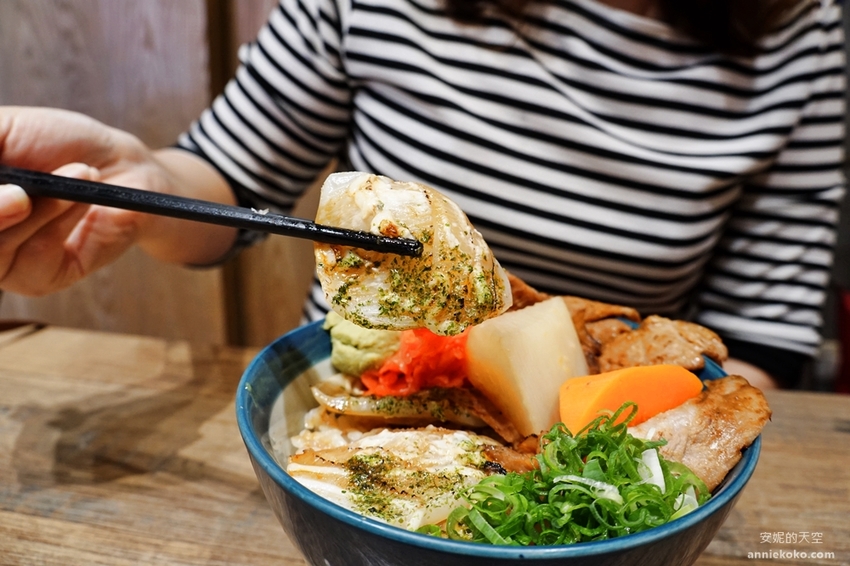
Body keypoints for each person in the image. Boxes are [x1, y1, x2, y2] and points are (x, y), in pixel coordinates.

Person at [0, 0, 844, 390]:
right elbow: (227, 183)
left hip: (598, 438)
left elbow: (758, 340)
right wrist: (138, 182)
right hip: (352, 397)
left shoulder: (801, 32)